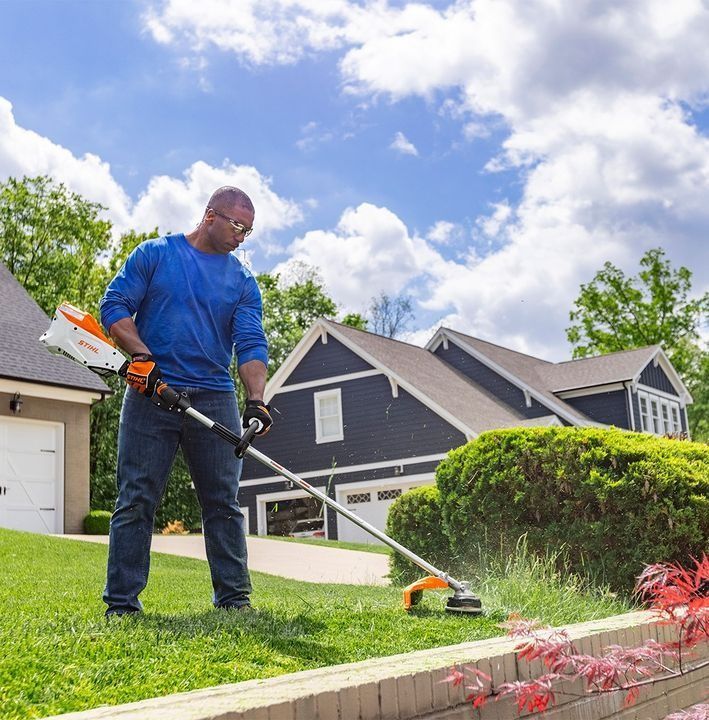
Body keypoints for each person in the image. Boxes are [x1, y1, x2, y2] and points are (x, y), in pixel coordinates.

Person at [99, 186, 272, 617]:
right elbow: (114, 306)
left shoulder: (242, 281)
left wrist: (256, 400)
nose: (241, 237)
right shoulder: (156, 254)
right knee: (136, 497)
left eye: (248, 232)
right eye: (236, 226)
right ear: (210, 215)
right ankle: (122, 604)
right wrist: (142, 356)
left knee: (223, 502)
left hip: (213, 396)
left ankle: (234, 600)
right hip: (151, 393)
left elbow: (250, 342)